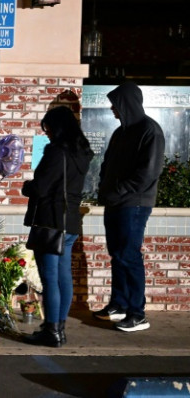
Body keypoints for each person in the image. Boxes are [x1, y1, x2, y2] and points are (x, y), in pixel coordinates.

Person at [93, 81, 165, 332]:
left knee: (129, 255)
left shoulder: (149, 131)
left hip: (134, 204)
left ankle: (137, 313)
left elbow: (148, 173)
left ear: (126, 104)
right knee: (118, 254)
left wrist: (117, 191)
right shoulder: (120, 132)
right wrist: (105, 188)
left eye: (115, 104)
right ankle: (119, 304)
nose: (112, 109)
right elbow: (107, 164)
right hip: (115, 202)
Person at [22, 106, 94, 347]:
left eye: (49, 129)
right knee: (64, 277)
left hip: (51, 220)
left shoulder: (57, 152)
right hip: (71, 221)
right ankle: (59, 327)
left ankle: (51, 330)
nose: (48, 134)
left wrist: (26, 187)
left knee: (50, 278)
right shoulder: (81, 152)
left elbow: (41, 187)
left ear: (57, 128)